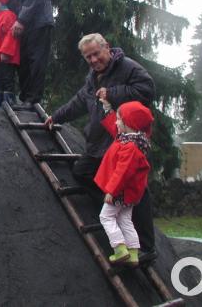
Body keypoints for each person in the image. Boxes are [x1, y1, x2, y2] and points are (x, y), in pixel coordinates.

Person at [44, 33, 157, 254]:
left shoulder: (127, 68)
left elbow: (147, 90)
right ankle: (113, 209)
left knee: (138, 191)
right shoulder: (92, 77)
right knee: (82, 172)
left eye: (96, 54)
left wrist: (113, 94)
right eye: (88, 57)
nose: (94, 60)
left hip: (125, 142)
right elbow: (80, 101)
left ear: (107, 47)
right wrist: (56, 117)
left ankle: (146, 246)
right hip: (99, 142)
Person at [94, 100, 153, 266]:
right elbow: (116, 130)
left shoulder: (129, 147)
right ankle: (133, 253)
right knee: (125, 220)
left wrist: (111, 191)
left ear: (128, 123)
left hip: (120, 192)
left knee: (105, 217)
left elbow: (123, 172)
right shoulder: (133, 140)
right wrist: (108, 108)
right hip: (130, 193)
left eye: (119, 119)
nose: (116, 122)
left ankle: (119, 248)